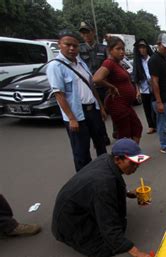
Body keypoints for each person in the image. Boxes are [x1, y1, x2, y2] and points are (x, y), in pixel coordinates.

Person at [52, 138, 156, 257]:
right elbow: (109, 226)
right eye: (133, 163)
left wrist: (127, 193)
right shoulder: (103, 184)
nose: (136, 167)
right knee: (107, 245)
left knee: (115, 213)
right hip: (69, 222)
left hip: (74, 205)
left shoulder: (107, 159)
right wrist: (137, 253)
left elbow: (114, 183)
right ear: (118, 159)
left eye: (138, 162)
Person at [46, 30, 107, 172]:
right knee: (81, 152)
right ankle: (85, 181)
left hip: (93, 110)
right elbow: (59, 94)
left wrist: (101, 107)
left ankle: (103, 173)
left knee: (101, 145)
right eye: (68, 45)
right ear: (59, 45)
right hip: (77, 116)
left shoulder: (81, 63)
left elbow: (91, 86)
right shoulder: (56, 66)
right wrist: (72, 118)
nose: (72, 48)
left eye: (75, 45)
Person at [93, 37, 143, 144]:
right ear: (110, 50)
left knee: (137, 127)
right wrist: (111, 86)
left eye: (123, 49)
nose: (122, 52)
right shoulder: (109, 63)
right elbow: (96, 79)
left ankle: (131, 153)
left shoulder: (118, 63)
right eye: (118, 49)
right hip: (118, 103)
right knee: (125, 132)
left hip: (126, 104)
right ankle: (124, 157)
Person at [78, 21, 112, 145]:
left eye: (87, 32)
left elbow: (110, 65)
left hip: (104, 86)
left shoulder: (103, 48)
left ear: (93, 32)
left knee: (112, 110)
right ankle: (103, 137)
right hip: (89, 88)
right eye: (83, 33)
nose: (86, 35)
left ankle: (116, 131)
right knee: (98, 115)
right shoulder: (79, 49)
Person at [132, 39, 156, 135]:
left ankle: (156, 123)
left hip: (154, 87)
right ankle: (151, 126)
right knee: (147, 108)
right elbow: (135, 77)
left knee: (154, 106)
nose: (142, 50)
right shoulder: (137, 61)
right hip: (144, 88)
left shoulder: (152, 58)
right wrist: (137, 91)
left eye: (144, 47)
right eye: (140, 48)